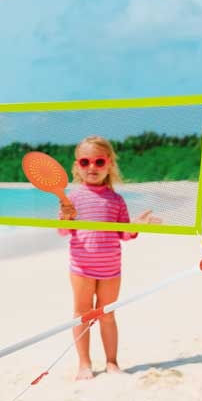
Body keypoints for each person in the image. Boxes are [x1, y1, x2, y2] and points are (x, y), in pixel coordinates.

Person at [57, 135, 157, 380]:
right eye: (85, 162)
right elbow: (63, 231)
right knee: (82, 314)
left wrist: (137, 227)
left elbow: (124, 233)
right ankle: (84, 364)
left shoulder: (116, 200)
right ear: (77, 166)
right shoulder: (73, 198)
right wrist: (65, 217)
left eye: (99, 162)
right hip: (81, 267)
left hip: (111, 268)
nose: (92, 167)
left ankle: (112, 363)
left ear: (109, 164)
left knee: (107, 315)